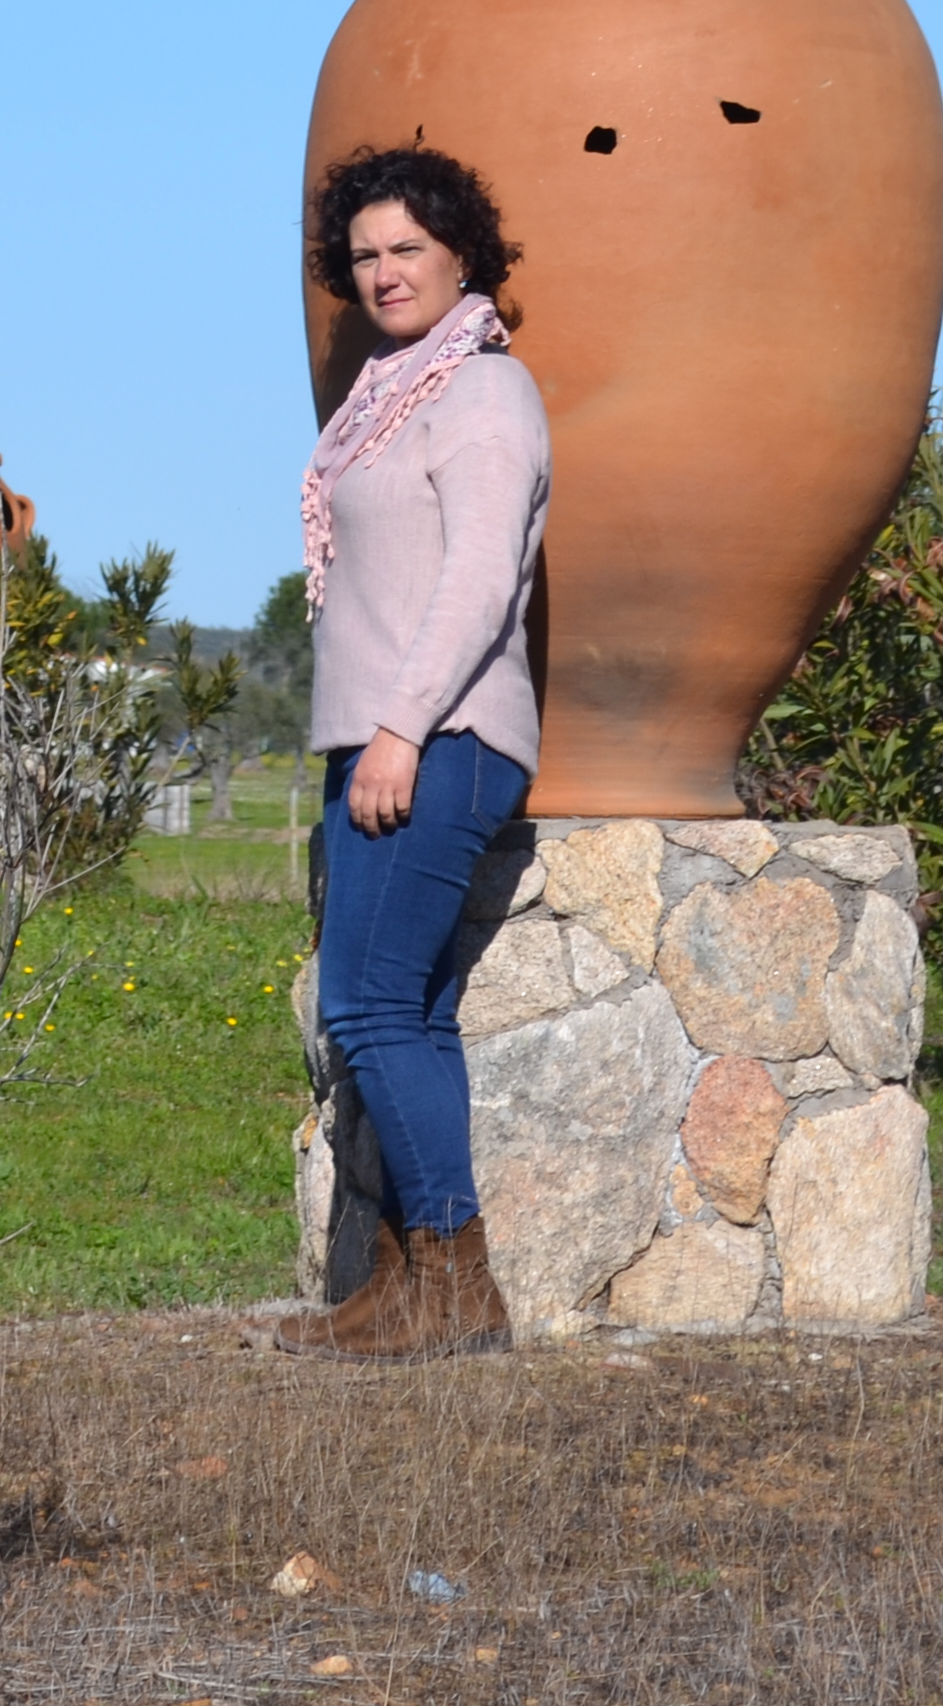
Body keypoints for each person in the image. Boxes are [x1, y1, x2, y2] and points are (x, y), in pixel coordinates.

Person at [275, 143, 547, 1361]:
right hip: (384, 737)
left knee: (369, 1004)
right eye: (366, 254)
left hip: (438, 736)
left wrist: (398, 729)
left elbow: (480, 581)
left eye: (409, 252)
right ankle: (405, 1283)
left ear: (462, 258)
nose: (385, 273)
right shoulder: (392, 391)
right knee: (411, 1011)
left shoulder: (483, 395)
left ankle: (457, 1283)